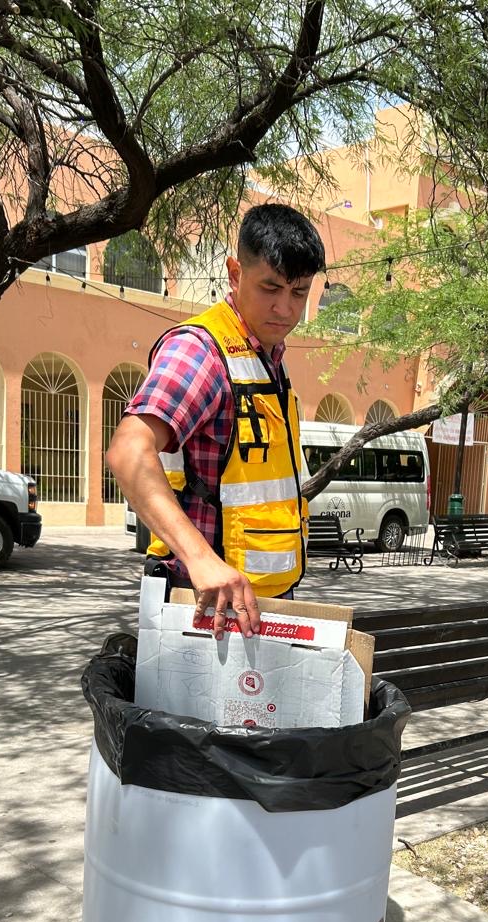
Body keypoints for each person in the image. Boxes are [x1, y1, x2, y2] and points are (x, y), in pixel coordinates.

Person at [106, 203, 326, 638]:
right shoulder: (201, 352)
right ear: (234, 273)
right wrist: (200, 558)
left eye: (298, 292)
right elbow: (128, 450)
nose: (284, 308)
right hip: (204, 608)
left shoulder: (269, 362)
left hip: (257, 608)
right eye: (270, 288)